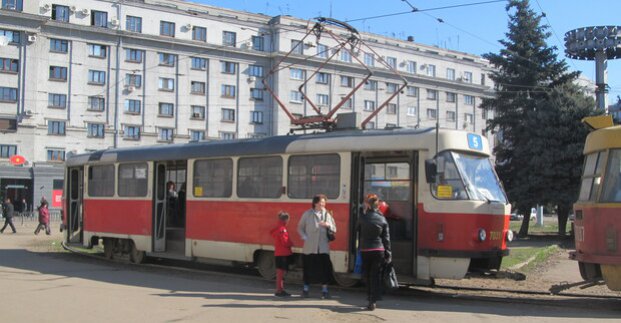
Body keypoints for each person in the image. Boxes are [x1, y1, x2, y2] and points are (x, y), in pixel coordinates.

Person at [297, 194, 336, 299]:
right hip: (309, 247)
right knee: (308, 269)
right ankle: (305, 290)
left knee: (324, 270)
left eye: (324, 202)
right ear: (315, 203)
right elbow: (300, 227)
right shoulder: (307, 214)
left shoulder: (327, 214)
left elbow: (334, 228)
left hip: (323, 247)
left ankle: (325, 291)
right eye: (321, 202)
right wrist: (304, 237)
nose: (323, 204)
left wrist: (328, 225)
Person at [358, 193, 392, 311]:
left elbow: (358, 230)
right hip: (379, 250)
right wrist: (388, 253)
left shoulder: (362, 217)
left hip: (365, 250)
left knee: (367, 275)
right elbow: (386, 239)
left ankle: (369, 299)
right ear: (378, 205)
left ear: (367, 204)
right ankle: (374, 300)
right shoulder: (382, 219)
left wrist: (364, 210)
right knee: (375, 276)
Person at [270, 211, 294, 297]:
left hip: (278, 252)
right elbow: (285, 242)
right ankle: (279, 290)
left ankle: (279, 289)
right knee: (281, 272)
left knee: (279, 272)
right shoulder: (283, 229)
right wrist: (291, 243)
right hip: (283, 253)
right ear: (286, 220)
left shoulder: (278, 228)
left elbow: (273, 234)